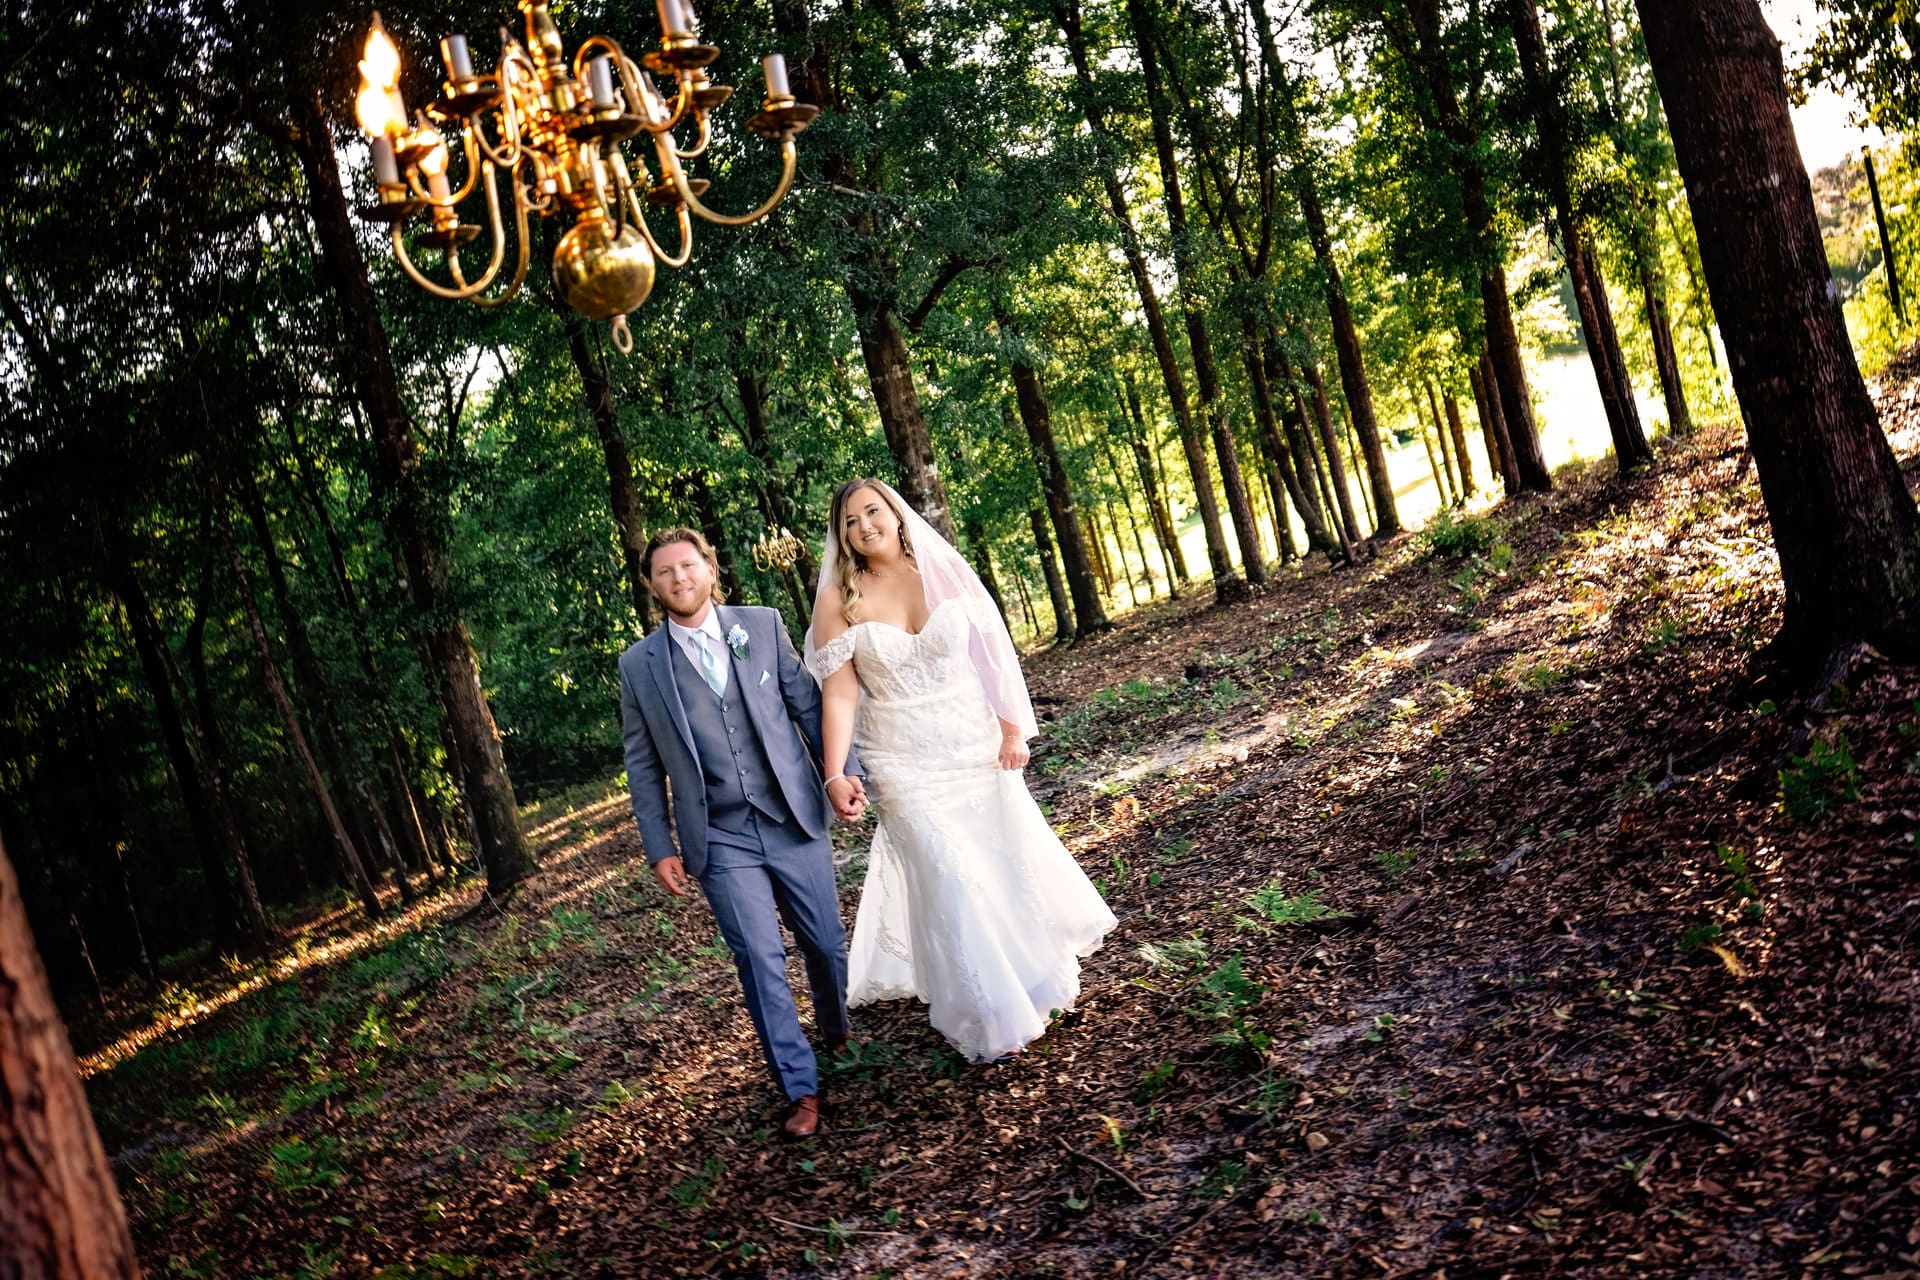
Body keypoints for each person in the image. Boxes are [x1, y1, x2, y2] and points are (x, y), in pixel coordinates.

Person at [805, 479, 1117, 1063]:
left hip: (973, 741)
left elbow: (990, 649)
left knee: (997, 862)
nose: (864, 525)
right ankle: (988, 1010)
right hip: (900, 761)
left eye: (873, 511)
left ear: (896, 514)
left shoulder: (941, 569)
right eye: (850, 520)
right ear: (841, 534)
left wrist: (1010, 726)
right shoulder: (838, 598)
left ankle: (1030, 978)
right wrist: (834, 773)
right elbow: (840, 697)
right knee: (948, 871)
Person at [617, 528, 867, 1138]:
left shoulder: (760, 624)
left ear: (710, 569)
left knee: (827, 945)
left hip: (791, 815)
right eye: (665, 572)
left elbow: (809, 707)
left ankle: (835, 1032)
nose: (679, 578)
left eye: (688, 565)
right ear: (652, 586)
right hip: (721, 836)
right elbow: (643, 765)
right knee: (759, 960)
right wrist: (658, 846)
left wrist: (841, 773)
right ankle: (799, 1086)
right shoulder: (638, 667)